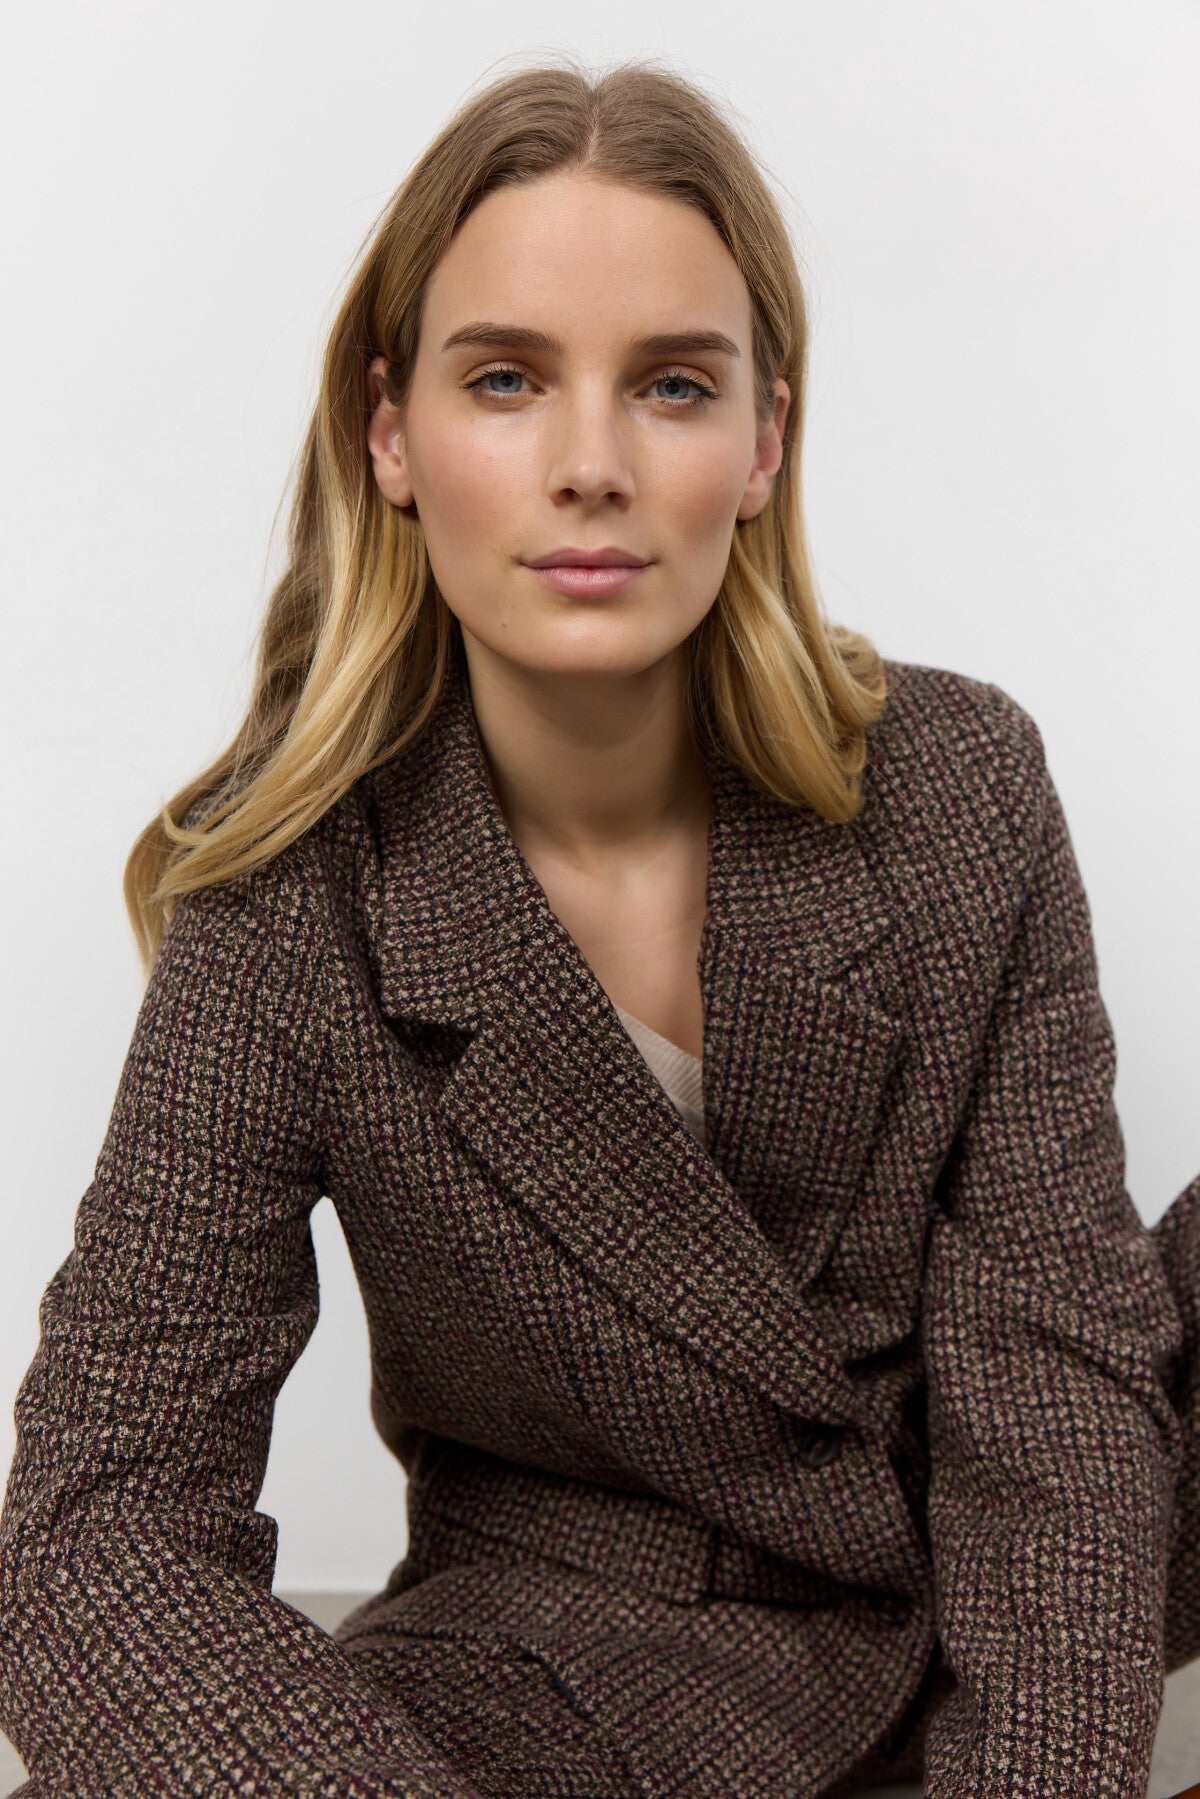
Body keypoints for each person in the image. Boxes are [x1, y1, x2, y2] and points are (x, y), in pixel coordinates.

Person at [0, 53, 1197, 1799]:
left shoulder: (958, 785)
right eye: (506, 380)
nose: (589, 467)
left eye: (672, 386)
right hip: (588, 1653)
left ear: (764, 439)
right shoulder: (291, 893)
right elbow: (95, 1524)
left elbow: (1058, 1375)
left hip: (1016, 1533)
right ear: (391, 434)